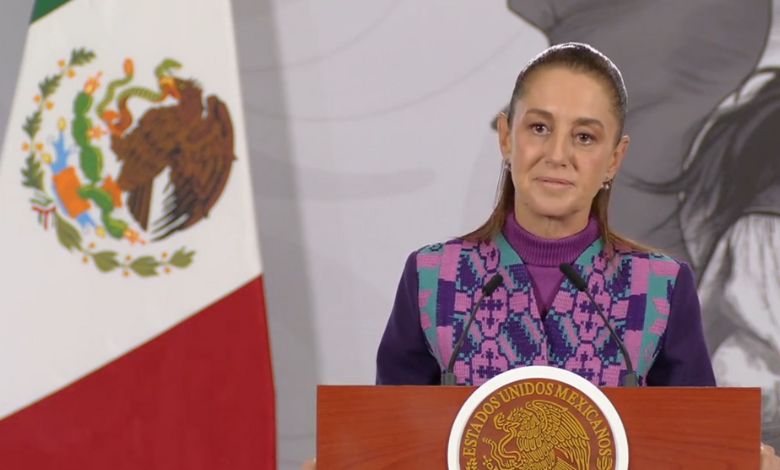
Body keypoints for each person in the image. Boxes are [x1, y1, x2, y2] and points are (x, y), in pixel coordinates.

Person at [373, 42, 779, 468]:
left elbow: (696, 448)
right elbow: (387, 441)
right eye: (539, 128)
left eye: (584, 137)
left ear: (614, 159)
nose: (557, 155)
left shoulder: (661, 288)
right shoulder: (434, 278)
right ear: (507, 138)